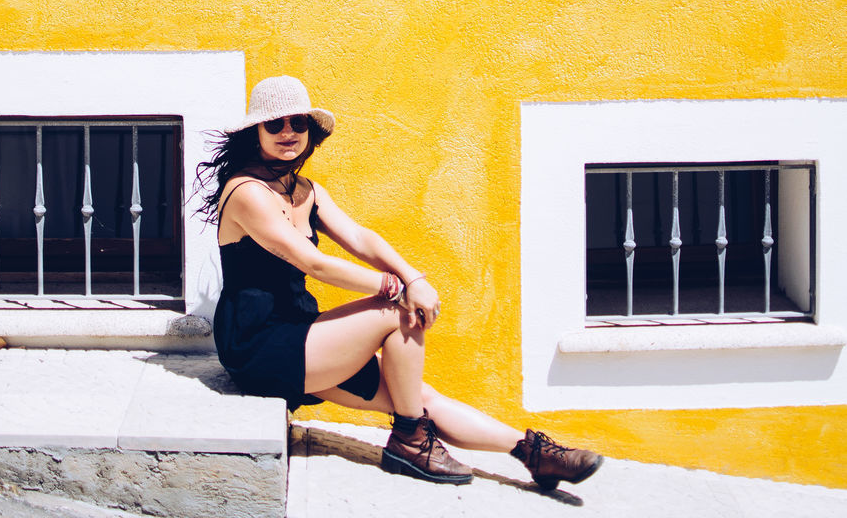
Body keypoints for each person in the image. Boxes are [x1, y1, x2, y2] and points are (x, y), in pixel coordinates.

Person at [196, 74, 604, 490]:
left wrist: (413, 276)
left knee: (418, 399)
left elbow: (359, 238)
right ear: (255, 133)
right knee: (396, 312)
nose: (288, 133)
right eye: (275, 124)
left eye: (298, 123)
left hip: (302, 335)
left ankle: (533, 452)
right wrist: (395, 288)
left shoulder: (304, 190)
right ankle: (408, 441)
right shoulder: (246, 191)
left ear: (310, 131)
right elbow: (313, 263)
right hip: (258, 346)